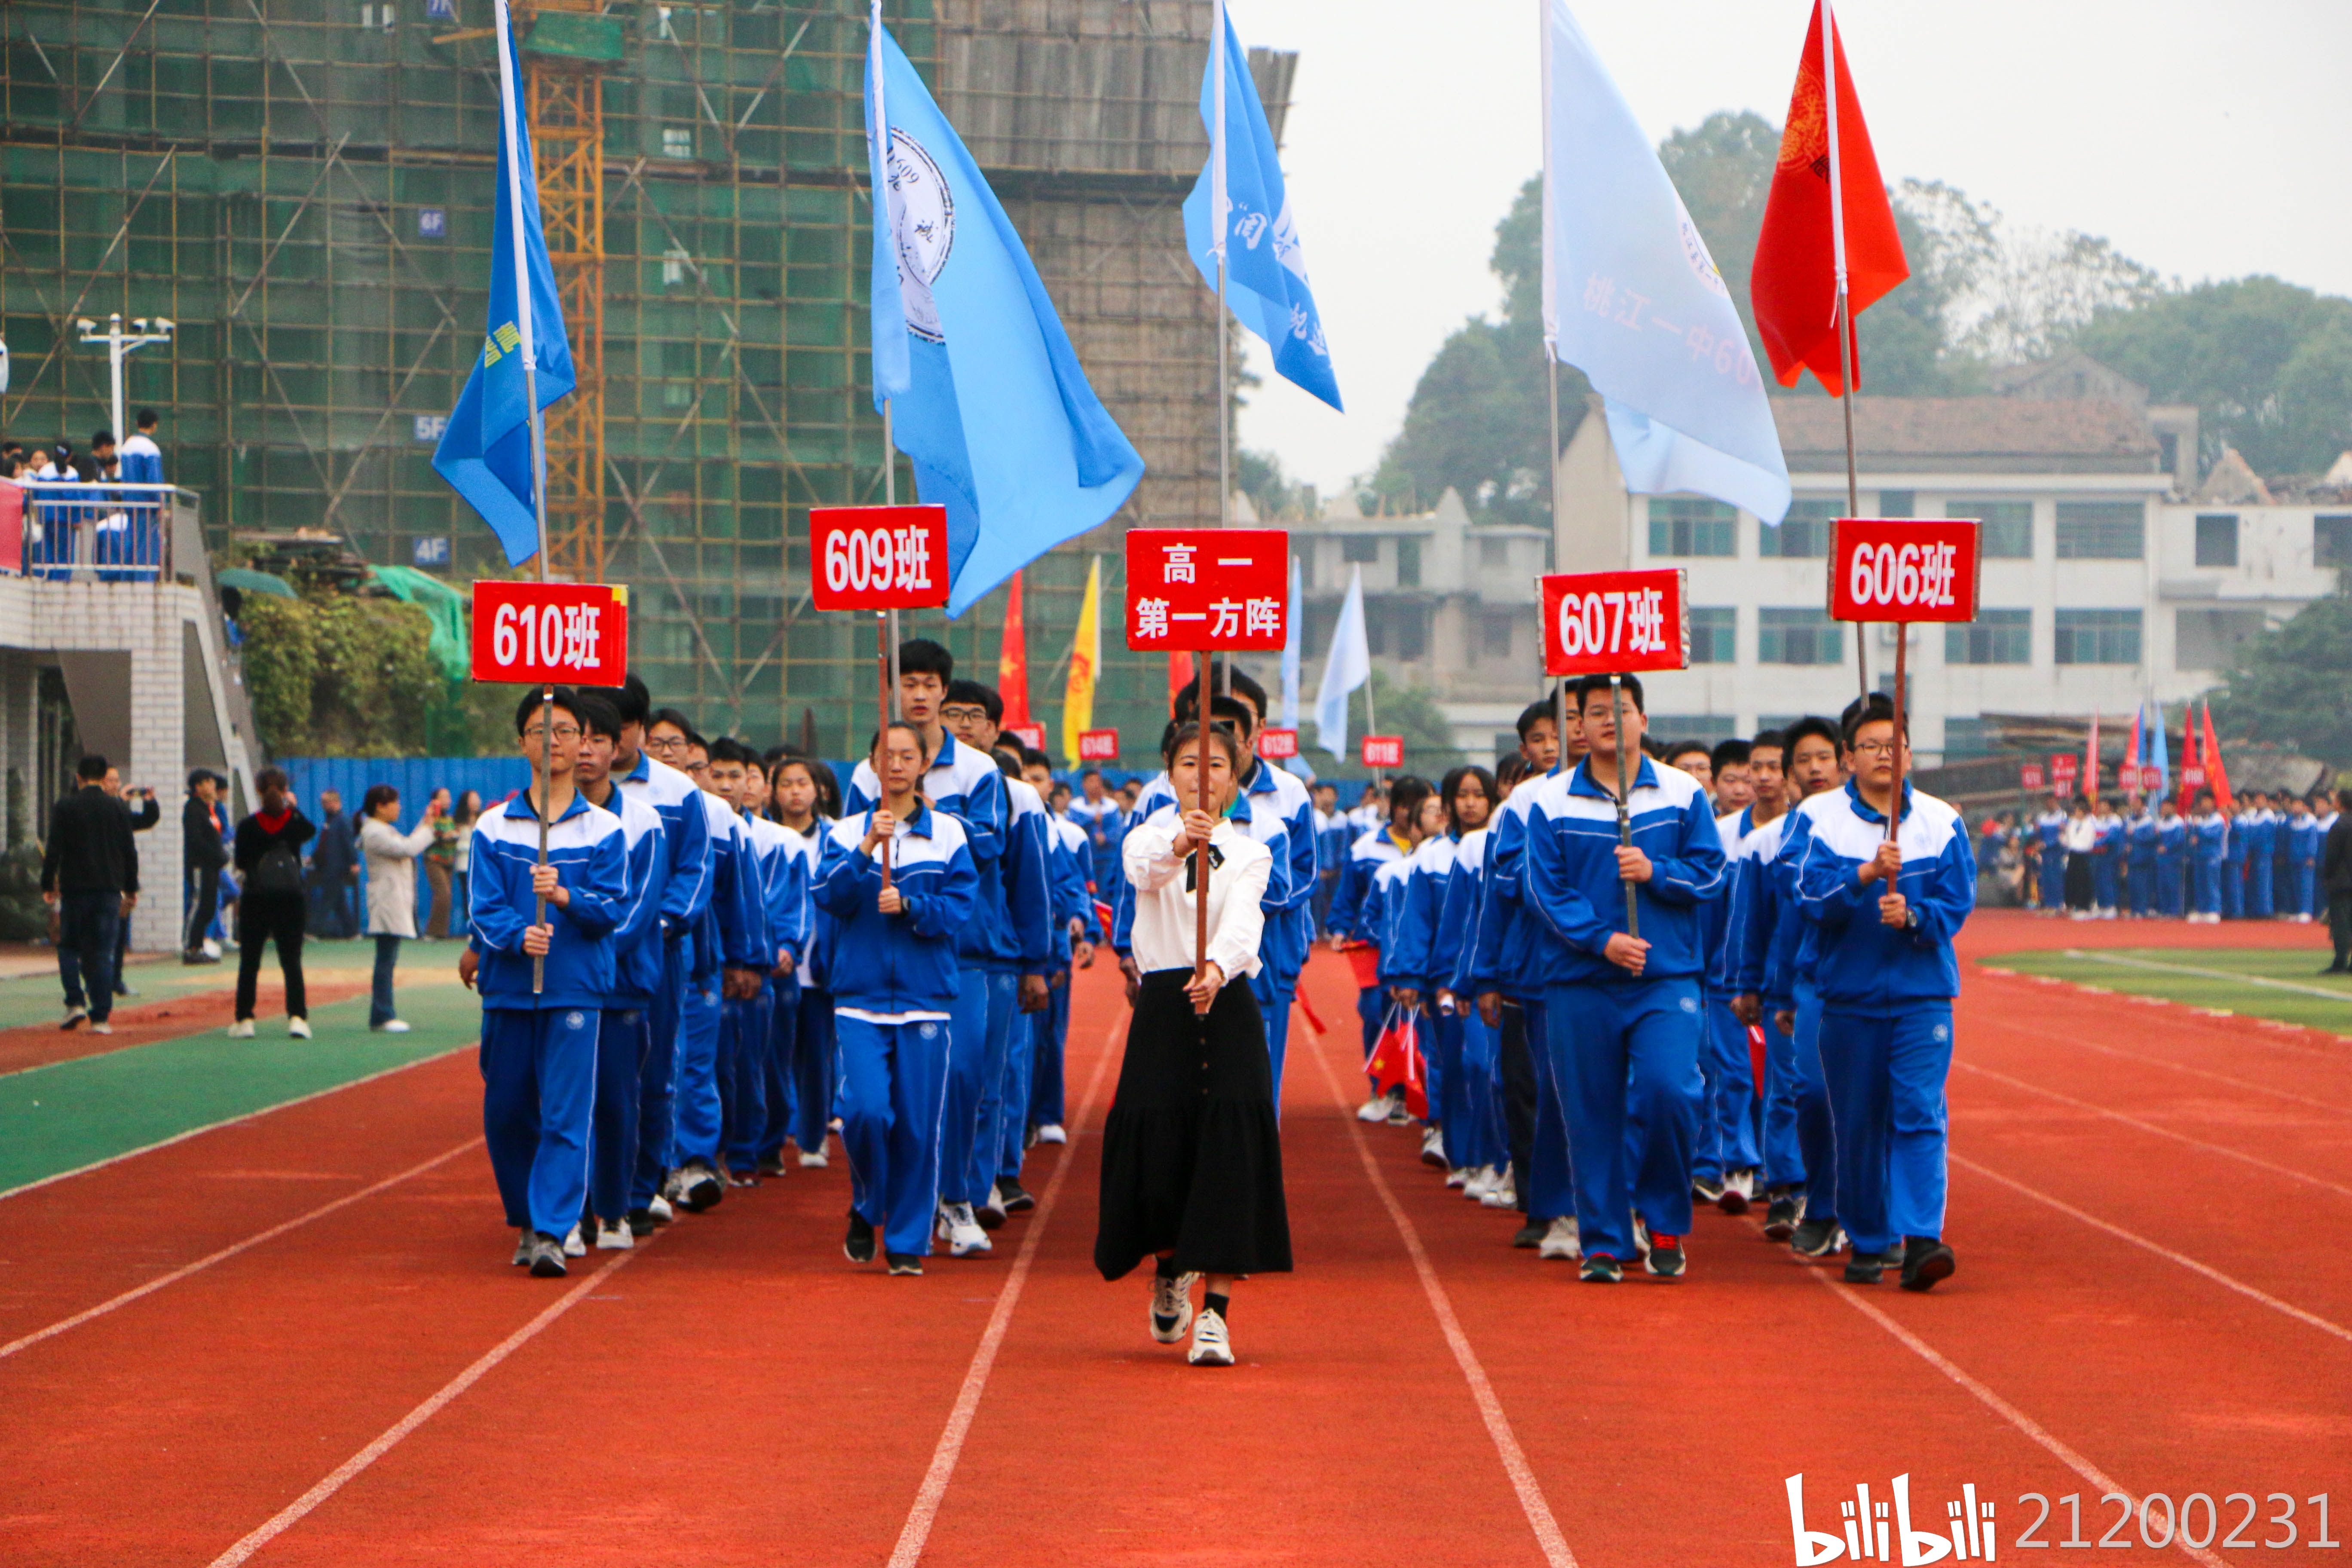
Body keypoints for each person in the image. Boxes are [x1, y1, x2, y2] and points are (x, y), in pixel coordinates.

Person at [1096, 719, 1290, 1366]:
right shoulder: (1149, 834)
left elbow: (1246, 919)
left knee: (1230, 1146)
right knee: (1161, 1145)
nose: (1201, 776)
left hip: (1225, 998)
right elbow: (1143, 874)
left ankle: (1217, 1313)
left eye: (1215, 766)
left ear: (1234, 780)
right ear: (1168, 772)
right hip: (1163, 1004)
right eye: (1187, 764)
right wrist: (1183, 841)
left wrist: (1216, 969)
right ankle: (1171, 1264)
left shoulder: (1253, 851)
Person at [1791, 694, 1972, 1291]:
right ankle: (1869, 1239)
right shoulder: (1819, 819)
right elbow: (1808, 898)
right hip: (1849, 997)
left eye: (1894, 744)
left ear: (1910, 751)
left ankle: (1922, 1238)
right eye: (1870, 746)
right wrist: (1864, 876)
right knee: (1859, 1121)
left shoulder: (1941, 821)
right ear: (1849, 758)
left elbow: (1957, 900)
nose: (1884, 756)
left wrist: (1916, 917)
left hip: (1922, 997)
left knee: (1920, 1112)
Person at [844, 643, 1009, 1259]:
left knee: (962, 1077)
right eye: (907, 682)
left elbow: (993, 847)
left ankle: (956, 1198)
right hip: (875, 954)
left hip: (953, 950)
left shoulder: (977, 772)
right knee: (872, 1104)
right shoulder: (870, 770)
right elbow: (847, 848)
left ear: (945, 692)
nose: (918, 693)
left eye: (928, 684)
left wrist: (936, 820)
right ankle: (875, 1199)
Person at [469, 687, 627, 1278]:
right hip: (510, 986)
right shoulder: (493, 826)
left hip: (575, 989)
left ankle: (552, 1229)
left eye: (564, 731)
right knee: (507, 1109)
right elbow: (482, 907)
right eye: (541, 730)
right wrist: (516, 937)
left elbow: (613, 908)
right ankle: (526, 1215)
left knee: (566, 1111)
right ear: (522, 742)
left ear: (583, 742)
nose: (553, 742)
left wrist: (565, 897)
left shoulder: (604, 829)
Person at [819, 720, 980, 1277]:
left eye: (908, 755)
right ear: (871, 764)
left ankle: (909, 1241)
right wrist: (867, 848)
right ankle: (867, 1205)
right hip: (859, 998)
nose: (897, 764)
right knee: (865, 1113)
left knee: (917, 1125)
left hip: (925, 999)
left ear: (923, 766)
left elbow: (961, 909)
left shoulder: (950, 835)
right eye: (886, 754)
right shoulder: (843, 834)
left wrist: (913, 907)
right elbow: (829, 896)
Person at [571, 693, 666, 1252]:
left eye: (597, 740)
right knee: (561, 1103)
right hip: (558, 987)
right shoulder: (534, 815)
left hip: (618, 986)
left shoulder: (643, 821)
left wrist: (581, 950)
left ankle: (614, 1209)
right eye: (571, 736)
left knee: (614, 1101)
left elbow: (635, 911)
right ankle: (567, 1212)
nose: (584, 750)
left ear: (617, 749)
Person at [40, 753, 140, 1032]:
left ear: (79, 778)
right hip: (109, 889)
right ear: (103, 777)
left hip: (75, 889)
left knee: (70, 946)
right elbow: (129, 852)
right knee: (103, 951)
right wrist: (131, 888)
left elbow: (54, 849)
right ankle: (101, 1017)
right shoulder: (118, 808)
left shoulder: (66, 807)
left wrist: (48, 884)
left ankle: (75, 1002)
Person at [228, 768, 315, 1039]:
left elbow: (241, 862)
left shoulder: (248, 826)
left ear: (258, 791)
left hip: (256, 897)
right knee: (292, 961)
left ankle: (245, 1020)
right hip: (291, 898)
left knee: (250, 961)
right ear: (285, 789)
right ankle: (298, 1018)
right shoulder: (295, 824)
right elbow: (309, 830)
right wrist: (293, 807)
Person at [357, 783, 443, 1032]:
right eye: (394, 803)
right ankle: (383, 1015)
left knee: (387, 959)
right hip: (386, 902)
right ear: (380, 807)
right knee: (385, 960)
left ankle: (383, 1013)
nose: (399, 807)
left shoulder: (382, 829)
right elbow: (408, 849)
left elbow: (407, 845)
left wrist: (425, 824)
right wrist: (427, 828)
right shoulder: (374, 833)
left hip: (391, 900)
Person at [183, 769, 229, 963]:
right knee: (199, 903)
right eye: (207, 783)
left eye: (212, 782)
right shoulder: (193, 809)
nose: (212, 787)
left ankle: (199, 945)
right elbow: (196, 840)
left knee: (210, 907)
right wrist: (215, 856)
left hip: (212, 866)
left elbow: (219, 833)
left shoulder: (210, 809)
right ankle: (191, 947)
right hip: (200, 866)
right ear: (198, 787)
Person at [307, 787, 361, 939]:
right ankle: (352, 932)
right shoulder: (330, 821)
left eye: (325, 802)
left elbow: (349, 843)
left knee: (327, 900)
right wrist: (314, 857)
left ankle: (312, 931)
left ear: (335, 802)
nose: (323, 805)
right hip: (329, 866)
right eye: (322, 802)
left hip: (336, 867)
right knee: (339, 902)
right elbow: (324, 844)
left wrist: (354, 862)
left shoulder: (342, 821)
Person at [2322, 788, 2352, 973]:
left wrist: (2327, 876)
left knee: (2341, 923)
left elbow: (2332, 856)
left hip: (2342, 882)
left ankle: (2341, 960)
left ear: (2340, 803)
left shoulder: (2340, 825)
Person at [2187, 790, 2228, 924]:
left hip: (2212, 855)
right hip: (2200, 855)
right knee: (2200, 883)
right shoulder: (2199, 820)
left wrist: (2199, 830)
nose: (2204, 804)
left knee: (2212, 884)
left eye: (2207, 801)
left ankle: (2214, 910)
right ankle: (2202, 910)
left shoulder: (2218, 819)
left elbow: (2213, 835)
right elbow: (2193, 837)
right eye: (2203, 802)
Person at [423, 787, 458, 938]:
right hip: (434, 861)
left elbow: (455, 835)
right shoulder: (430, 818)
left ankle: (442, 933)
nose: (446, 800)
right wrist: (444, 836)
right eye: (442, 797)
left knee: (447, 897)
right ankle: (431, 932)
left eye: (448, 797)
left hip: (449, 862)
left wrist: (454, 836)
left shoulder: (450, 819)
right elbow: (429, 834)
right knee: (443, 894)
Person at [450, 790, 482, 936]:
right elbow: (454, 845)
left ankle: (480, 927)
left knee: (480, 894)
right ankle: (470, 927)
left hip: (481, 866)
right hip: (464, 865)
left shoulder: (484, 819)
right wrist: (469, 846)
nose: (476, 802)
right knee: (467, 896)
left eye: (477, 798)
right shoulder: (457, 821)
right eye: (472, 799)